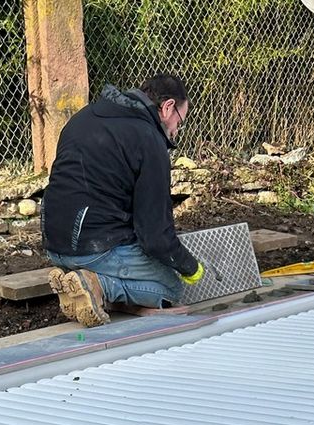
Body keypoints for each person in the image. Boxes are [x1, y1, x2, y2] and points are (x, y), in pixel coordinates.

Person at [41, 73, 206, 326]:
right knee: (172, 288)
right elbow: (155, 236)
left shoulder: (84, 117)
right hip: (94, 249)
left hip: (54, 245)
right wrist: (188, 266)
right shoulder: (149, 140)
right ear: (168, 107)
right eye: (179, 121)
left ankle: (84, 283)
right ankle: (100, 286)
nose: (176, 130)